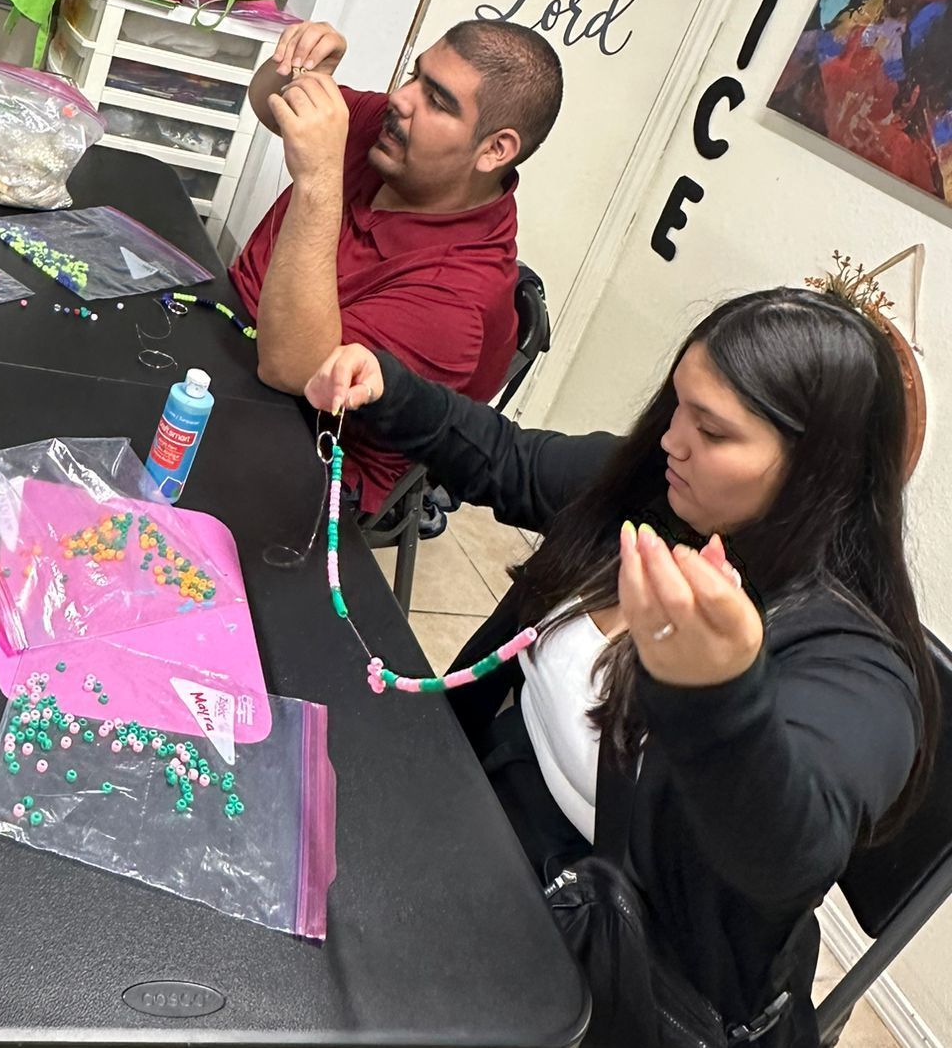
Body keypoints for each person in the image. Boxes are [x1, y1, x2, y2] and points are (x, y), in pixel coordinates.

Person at [305, 288, 939, 1047]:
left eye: (712, 430)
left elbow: (787, 857)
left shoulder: (856, 664)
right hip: (481, 826)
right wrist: (388, 386)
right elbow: (508, 459)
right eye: (679, 404)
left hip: (596, 964)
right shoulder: (662, 493)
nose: (672, 438)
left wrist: (720, 700)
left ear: (813, 472)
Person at [229, 17, 562, 517]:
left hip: (313, 451)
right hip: (233, 333)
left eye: (438, 101)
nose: (402, 100)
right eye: (415, 76)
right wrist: (299, 71)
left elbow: (291, 370)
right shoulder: (393, 140)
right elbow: (269, 106)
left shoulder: (458, 300)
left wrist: (318, 179)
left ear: (495, 149)